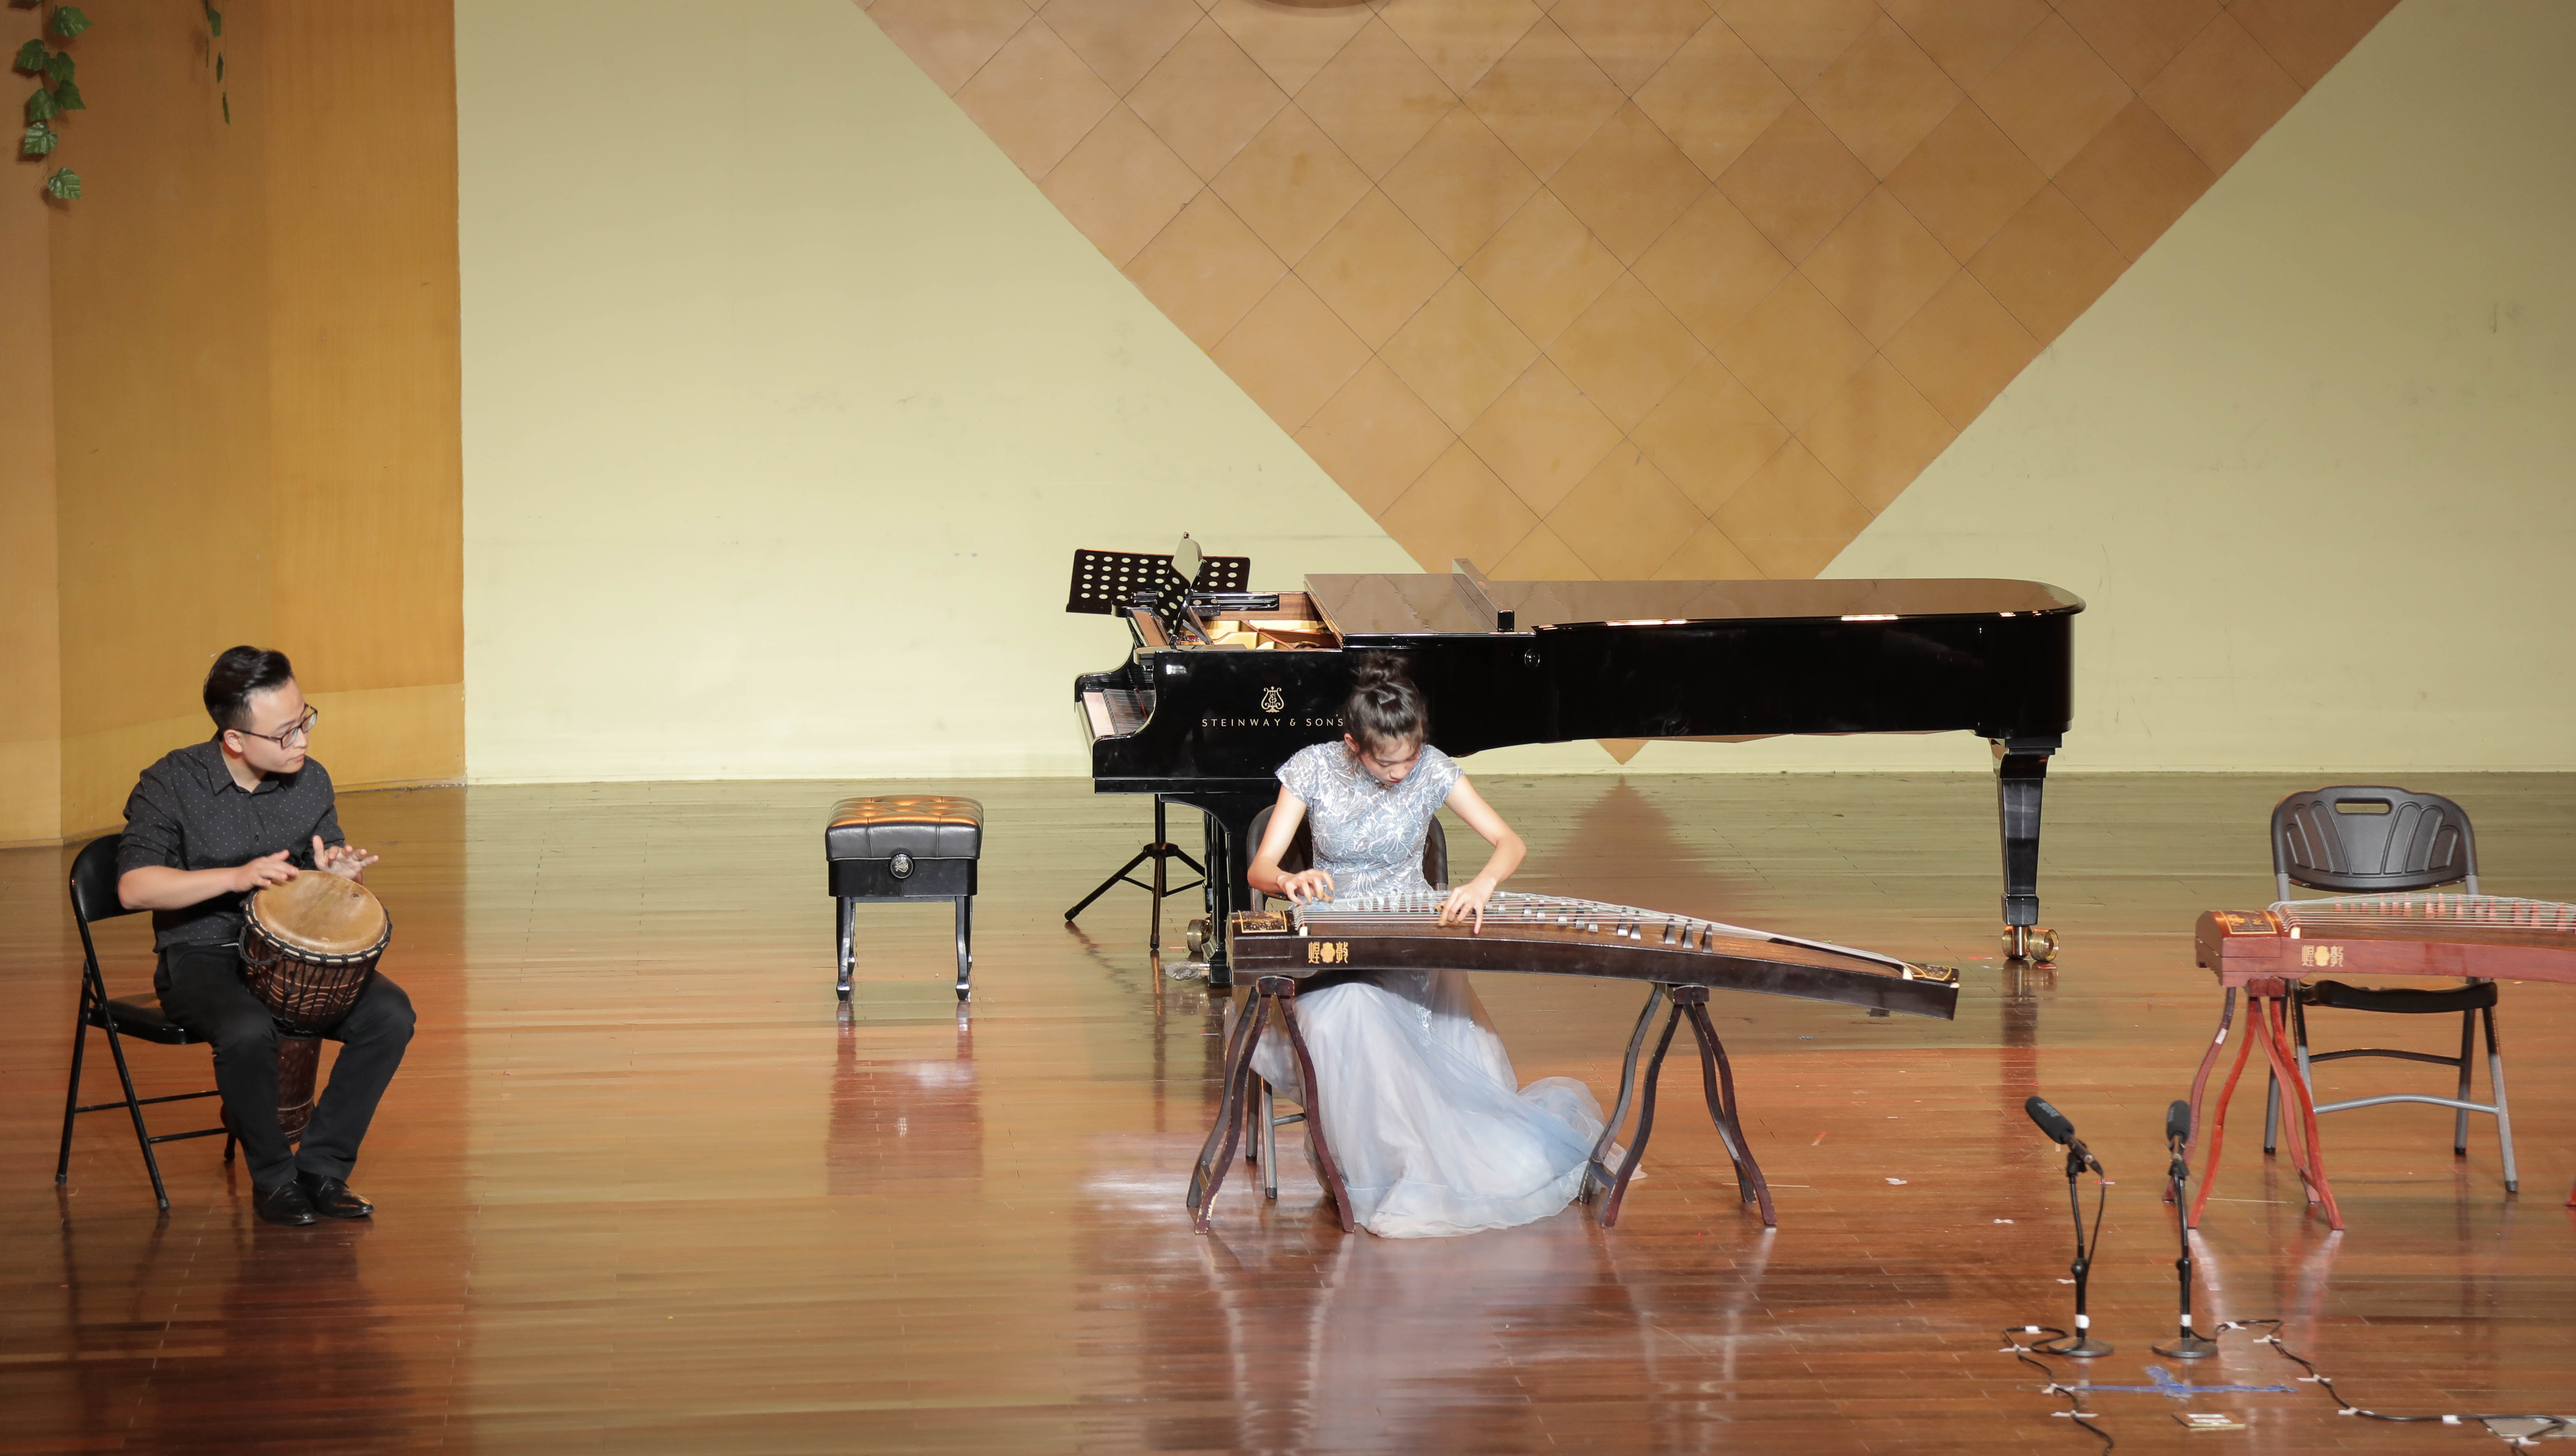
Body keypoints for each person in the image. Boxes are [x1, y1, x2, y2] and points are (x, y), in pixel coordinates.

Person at [1243, 656, 1603, 1238]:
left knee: (1373, 1015)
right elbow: (1261, 867)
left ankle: (1418, 1170)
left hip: (1409, 939)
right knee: (1349, 1009)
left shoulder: (1433, 769)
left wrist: (1481, 885)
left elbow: (1509, 842)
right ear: (1353, 746)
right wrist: (1289, 880)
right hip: (1334, 940)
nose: (1400, 773)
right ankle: (1383, 1167)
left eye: (1409, 758)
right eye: (1385, 763)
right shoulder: (1313, 768)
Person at [116, 647, 414, 1226]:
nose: (302, 740)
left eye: (305, 720)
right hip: (202, 952)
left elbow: (322, 868)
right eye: (285, 733)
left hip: (290, 956)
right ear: (234, 739)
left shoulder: (310, 780)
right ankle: (275, 1180)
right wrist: (235, 877)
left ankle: (322, 1168)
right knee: (248, 1030)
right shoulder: (171, 782)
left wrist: (337, 877)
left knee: (390, 1016)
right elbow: (133, 887)